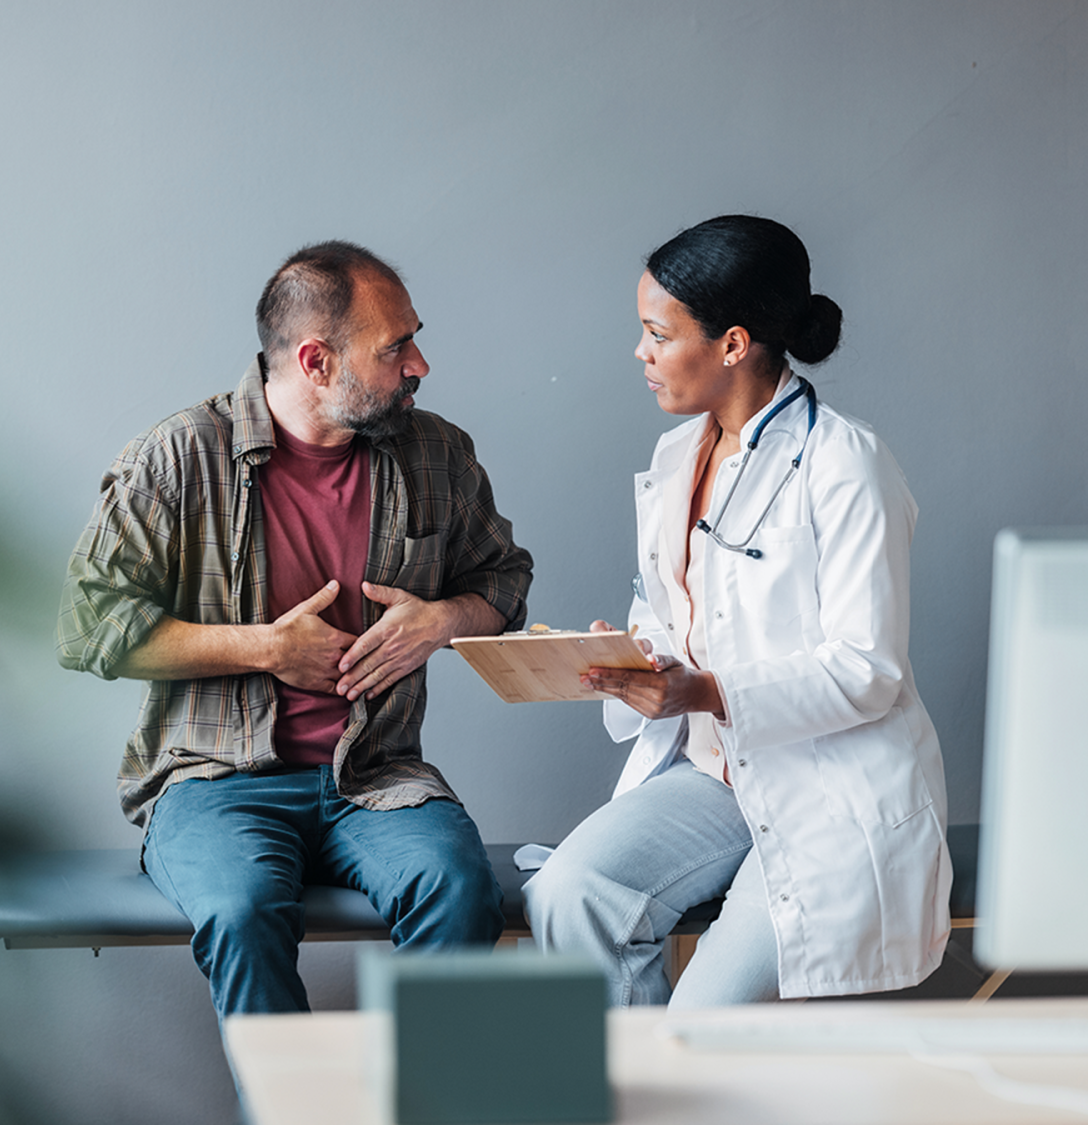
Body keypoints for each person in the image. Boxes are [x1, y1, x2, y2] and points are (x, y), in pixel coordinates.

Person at [57, 240, 533, 1018]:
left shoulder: (437, 453)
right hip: (215, 780)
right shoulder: (179, 457)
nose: (420, 364)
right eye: (397, 347)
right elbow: (85, 628)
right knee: (244, 915)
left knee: (461, 893)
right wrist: (267, 647)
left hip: (375, 775)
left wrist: (442, 621)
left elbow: (503, 580)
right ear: (316, 361)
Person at [523, 215, 951, 1007]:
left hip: (827, 783)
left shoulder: (845, 462)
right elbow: (680, 613)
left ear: (732, 344)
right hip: (715, 773)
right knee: (567, 894)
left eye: (658, 333)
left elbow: (870, 669)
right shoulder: (676, 455)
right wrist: (632, 653)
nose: (641, 354)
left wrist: (708, 689)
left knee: (703, 1017)